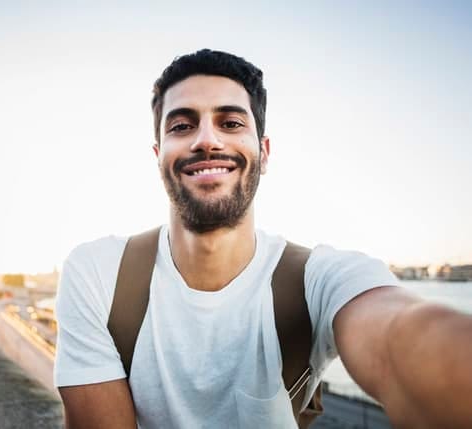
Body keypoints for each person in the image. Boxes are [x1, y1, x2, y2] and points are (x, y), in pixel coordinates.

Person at [53, 49, 472, 428]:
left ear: (264, 152)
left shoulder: (323, 279)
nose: (206, 140)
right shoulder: (98, 275)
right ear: (158, 154)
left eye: (231, 122)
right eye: (182, 125)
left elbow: (398, 339)